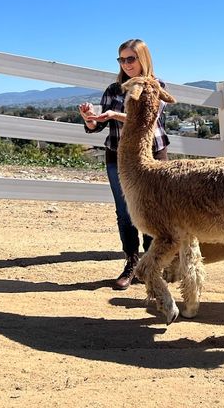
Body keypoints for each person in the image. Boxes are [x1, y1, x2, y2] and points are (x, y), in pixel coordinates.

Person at [79, 39, 170, 290]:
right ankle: (131, 263)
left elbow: (148, 118)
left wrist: (113, 115)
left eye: (131, 58)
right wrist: (91, 119)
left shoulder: (155, 85)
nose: (126, 64)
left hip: (151, 155)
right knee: (125, 211)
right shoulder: (113, 89)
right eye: (122, 59)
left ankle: (154, 264)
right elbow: (98, 126)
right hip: (118, 157)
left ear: (143, 58)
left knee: (155, 210)